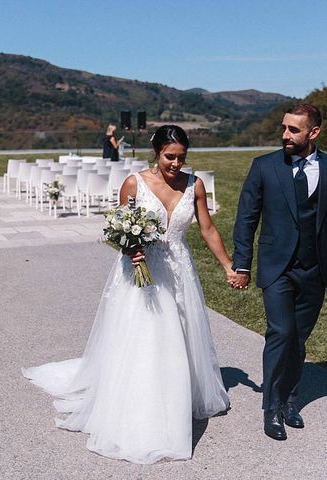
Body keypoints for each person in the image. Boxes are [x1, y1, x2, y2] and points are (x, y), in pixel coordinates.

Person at [23, 125, 239, 464]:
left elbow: (208, 227)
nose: (176, 164)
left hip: (179, 268)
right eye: (170, 157)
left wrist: (228, 265)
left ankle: (178, 394)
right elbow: (121, 229)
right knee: (147, 334)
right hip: (143, 269)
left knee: (181, 332)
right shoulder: (134, 184)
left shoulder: (194, 184)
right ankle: (145, 404)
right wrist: (130, 251)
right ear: (156, 152)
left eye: (182, 157)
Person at [232, 103, 327, 441]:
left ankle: (291, 400)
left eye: (293, 130)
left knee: (299, 338)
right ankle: (271, 407)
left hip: (315, 269)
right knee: (281, 332)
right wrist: (242, 264)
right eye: (284, 128)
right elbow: (246, 219)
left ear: (313, 132)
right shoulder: (264, 167)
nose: (285, 135)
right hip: (278, 268)